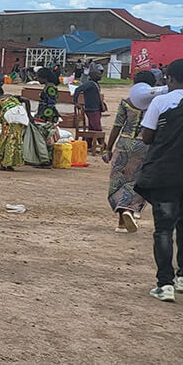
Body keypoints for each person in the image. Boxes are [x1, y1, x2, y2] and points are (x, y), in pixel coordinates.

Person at [135, 59, 183, 302]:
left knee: (164, 229)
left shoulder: (161, 102)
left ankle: (165, 284)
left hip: (165, 174)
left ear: (170, 79)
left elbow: (147, 137)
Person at [104, 73, 164, 234]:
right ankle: (129, 210)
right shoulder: (156, 103)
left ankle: (121, 222)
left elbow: (117, 126)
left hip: (124, 144)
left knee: (119, 180)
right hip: (146, 145)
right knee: (138, 180)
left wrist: (108, 148)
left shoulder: (126, 102)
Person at [21, 67, 59, 168]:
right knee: (42, 137)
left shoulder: (51, 88)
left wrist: (48, 118)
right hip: (44, 114)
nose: (37, 79)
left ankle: (47, 161)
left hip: (47, 115)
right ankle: (43, 159)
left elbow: (51, 104)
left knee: (47, 137)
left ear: (44, 78)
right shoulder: (48, 87)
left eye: (38, 77)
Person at [0, 87, 27, 170]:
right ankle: (8, 163)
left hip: (9, 117)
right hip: (21, 117)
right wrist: (29, 115)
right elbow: (26, 100)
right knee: (16, 139)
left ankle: (5, 163)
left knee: (6, 139)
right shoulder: (12, 97)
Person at [73, 68, 105, 133]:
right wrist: (76, 102)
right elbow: (77, 90)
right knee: (97, 129)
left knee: (92, 129)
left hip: (95, 109)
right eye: (98, 74)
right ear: (93, 75)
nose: (100, 76)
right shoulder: (90, 84)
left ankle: (89, 142)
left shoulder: (94, 84)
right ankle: (101, 142)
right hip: (92, 110)